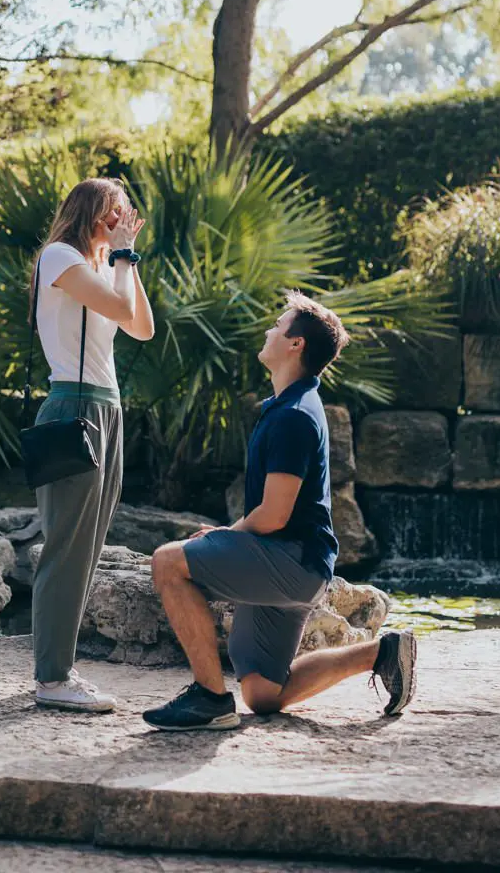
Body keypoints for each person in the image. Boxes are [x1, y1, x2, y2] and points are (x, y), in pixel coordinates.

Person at [143, 292, 416, 731]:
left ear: (295, 345)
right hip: (292, 564)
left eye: (278, 325)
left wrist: (224, 536)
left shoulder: (295, 416)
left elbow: (273, 516)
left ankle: (210, 698)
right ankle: (382, 653)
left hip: (290, 562)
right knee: (263, 694)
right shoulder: (289, 406)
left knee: (167, 562)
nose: (270, 330)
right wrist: (228, 538)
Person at [30, 178, 154, 713]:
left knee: (88, 549)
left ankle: (59, 670)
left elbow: (142, 327)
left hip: (108, 408)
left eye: (125, 216)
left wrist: (126, 258)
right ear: (92, 214)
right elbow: (119, 311)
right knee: (67, 548)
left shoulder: (107, 268)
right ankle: (52, 679)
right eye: (115, 215)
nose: (122, 222)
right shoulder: (59, 257)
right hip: (74, 406)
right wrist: (121, 252)